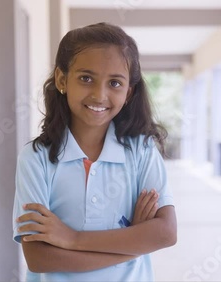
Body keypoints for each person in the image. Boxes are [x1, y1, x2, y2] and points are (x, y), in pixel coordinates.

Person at [12, 22, 177, 281]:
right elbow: (38, 258)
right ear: (62, 80)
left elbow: (165, 233)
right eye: (86, 78)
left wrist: (71, 238)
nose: (100, 95)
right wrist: (134, 242)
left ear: (128, 92)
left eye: (114, 83)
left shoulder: (141, 152)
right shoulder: (36, 158)